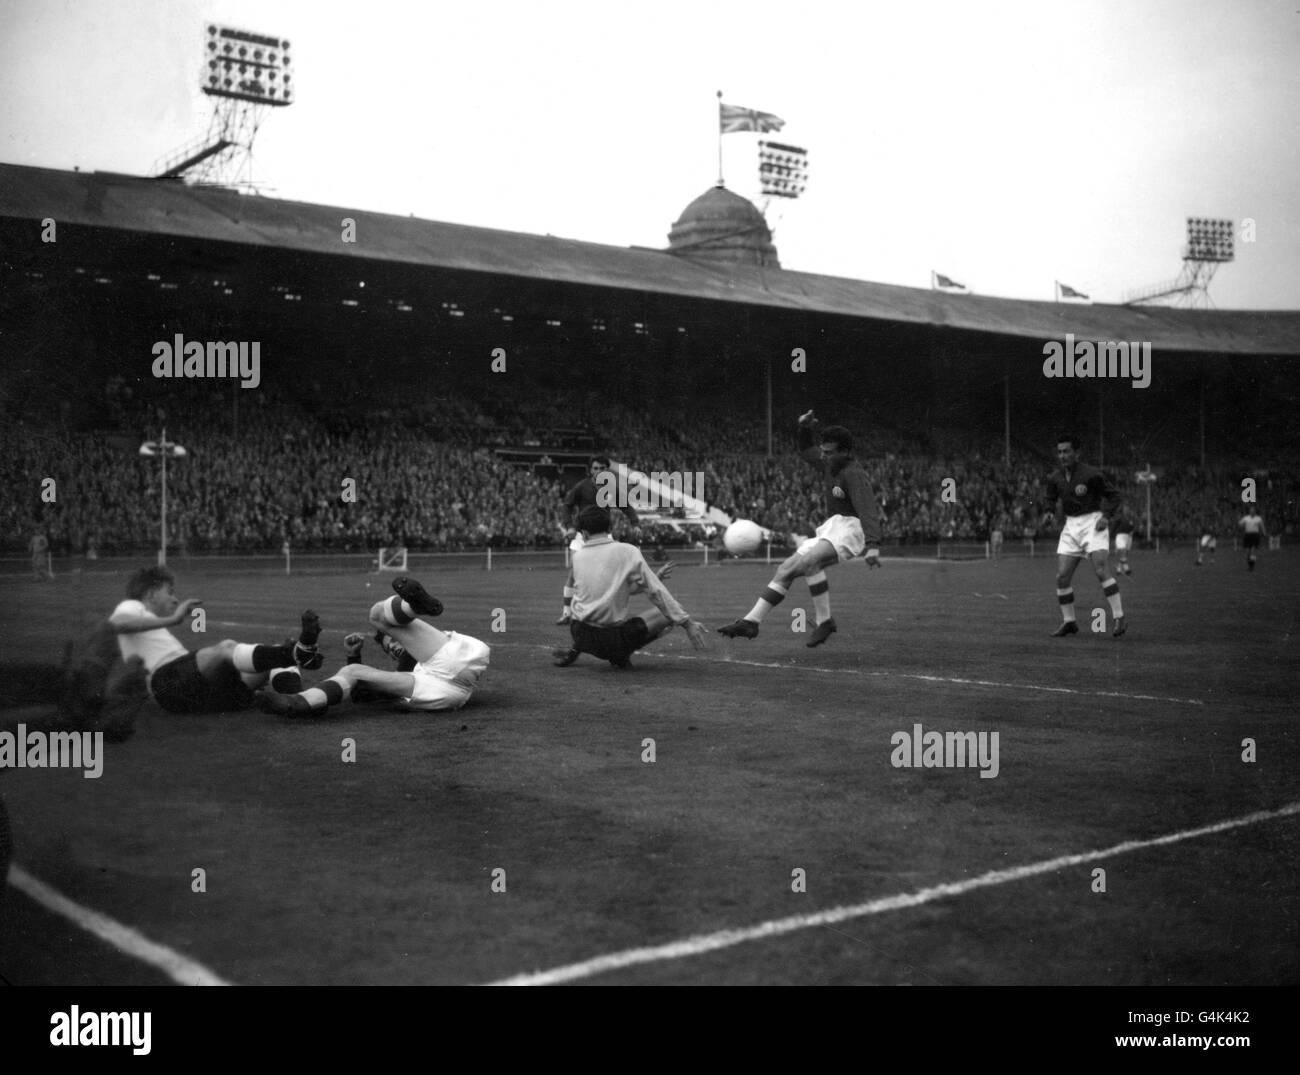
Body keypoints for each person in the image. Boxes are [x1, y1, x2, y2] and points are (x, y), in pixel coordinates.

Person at [717, 411, 881, 647]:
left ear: (845, 451)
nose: (823, 456)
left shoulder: (854, 474)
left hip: (852, 528)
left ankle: (825, 621)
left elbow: (867, 509)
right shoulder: (829, 462)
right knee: (786, 568)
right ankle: (751, 621)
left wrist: (873, 546)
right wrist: (804, 429)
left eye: (829, 452)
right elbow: (806, 452)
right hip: (832, 527)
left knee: (808, 563)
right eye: (823, 451)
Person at [257, 576, 490, 715]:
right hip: (450, 675)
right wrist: (354, 655)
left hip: (446, 688)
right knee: (377, 619)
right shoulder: (407, 667)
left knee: (377, 620)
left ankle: (299, 702)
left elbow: (358, 688)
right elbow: (361, 692)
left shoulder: (409, 658)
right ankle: (412, 608)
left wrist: (356, 658)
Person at [109, 565, 321, 713]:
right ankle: (295, 654)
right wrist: (174, 619)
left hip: (194, 689)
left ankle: (300, 702)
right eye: (169, 592)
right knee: (226, 648)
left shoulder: (147, 623)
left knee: (270, 659)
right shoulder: (131, 606)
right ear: (151, 593)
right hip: (168, 684)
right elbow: (117, 625)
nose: (174, 598)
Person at [552, 506, 706, 669]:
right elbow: (656, 591)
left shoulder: (577, 557)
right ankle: (620, 654)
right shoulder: (627, 551)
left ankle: (579, 651)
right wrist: (687, 623)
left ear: (584, 533)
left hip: (579, 634)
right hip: (613, 640)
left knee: (592, 622)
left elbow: (612, 591)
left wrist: (655, 577)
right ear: (610, 528)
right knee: (671, 614)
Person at [1042, 435, 1126, 638]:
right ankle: (1069, 622)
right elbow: (1050, 499)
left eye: (1066, 451)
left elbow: (1114, 495)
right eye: (1060, 452)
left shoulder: (1092, 474)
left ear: (1076, 453)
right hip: (1071, 526)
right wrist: (1049, 512)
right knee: (1062, 577)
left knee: (1100, 569)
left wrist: (1106, 516)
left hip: (1093, 522)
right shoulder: (1055, 477)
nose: (1062, 455)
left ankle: (1119, 616)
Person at [557, 456, 640, 624]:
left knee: (606, 575)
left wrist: (635, 523)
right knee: (573, 574)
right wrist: (570, 527)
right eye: (595, 468)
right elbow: (567, 506)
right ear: (590, 470)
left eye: (602, 468)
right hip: (582, 534)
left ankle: (602, 612)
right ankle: (567, 613)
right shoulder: (581, 487)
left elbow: (625, 506)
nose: (599, 471)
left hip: (603, 536)